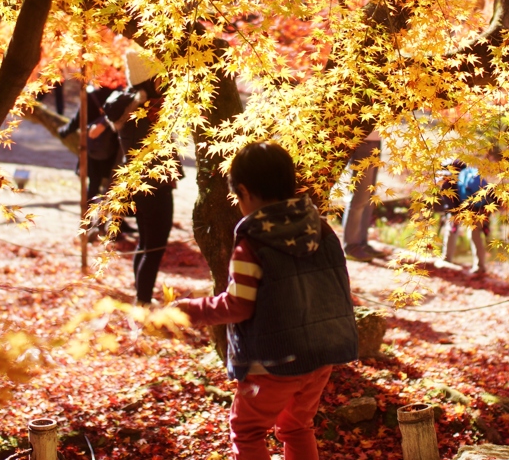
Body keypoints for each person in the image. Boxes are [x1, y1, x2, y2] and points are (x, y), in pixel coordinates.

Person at [174, 142, 359, 460]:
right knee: (298, 427)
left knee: (246, 432)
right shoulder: (322, 229)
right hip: (322, 355)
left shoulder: (253, 243)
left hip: (273, 362)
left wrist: (188, 310)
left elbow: (238, 305)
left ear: (244, 191)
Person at [104, 45, 176, 305]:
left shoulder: (133, 105)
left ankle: (141, 298)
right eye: (158, 75)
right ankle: (144, 302)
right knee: (154, 247)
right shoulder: (145, 110)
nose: (164, 80)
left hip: (141, 183)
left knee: (146, 244)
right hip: (153, 184)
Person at [341, 131, 389, 261]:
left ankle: (362, 243)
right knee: (360, 196)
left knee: (369, 197)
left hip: (375, 139)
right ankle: (351, 246)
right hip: (363, 139)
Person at [441, 161, 490, 275]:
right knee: (475, 235)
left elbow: (450, 205)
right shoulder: (471, 176)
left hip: (460, 210)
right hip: (477, 209)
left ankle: (446, 259)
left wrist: (454, 217)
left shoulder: (447, 184)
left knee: (451, 231)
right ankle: (480, 266)